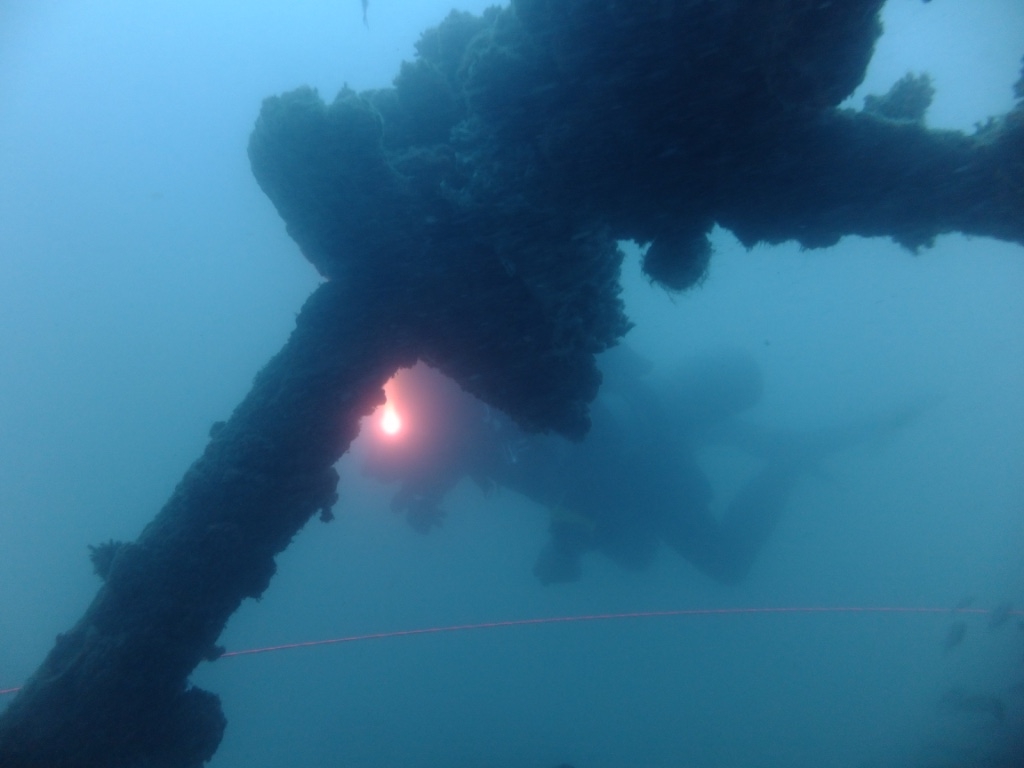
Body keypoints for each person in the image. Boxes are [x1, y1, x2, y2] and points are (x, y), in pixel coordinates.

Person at [360, 345, 917, 585]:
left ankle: (786, 459)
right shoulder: (460, 416)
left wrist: (564, 545)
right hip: (623, 467)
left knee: (724, 563)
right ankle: (773, 446)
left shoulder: (470, 404)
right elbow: (475, 448)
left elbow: (590, 455)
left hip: (639, 471)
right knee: (638, 554)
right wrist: (428, 488)